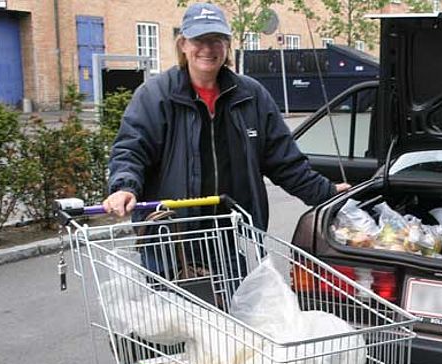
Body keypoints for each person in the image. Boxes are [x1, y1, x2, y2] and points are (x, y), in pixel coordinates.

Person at [102, 2, 349, 229]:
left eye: (217, 39)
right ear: (183, 44)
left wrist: (325, 193)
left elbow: (283, 160)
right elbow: (132, 150)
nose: (208, 48)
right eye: (199, 39)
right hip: (171, 235)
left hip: (232, 234)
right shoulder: (155, 96)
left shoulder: (251, 96)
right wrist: (125, 187)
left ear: (227, 45)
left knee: (241, 279)